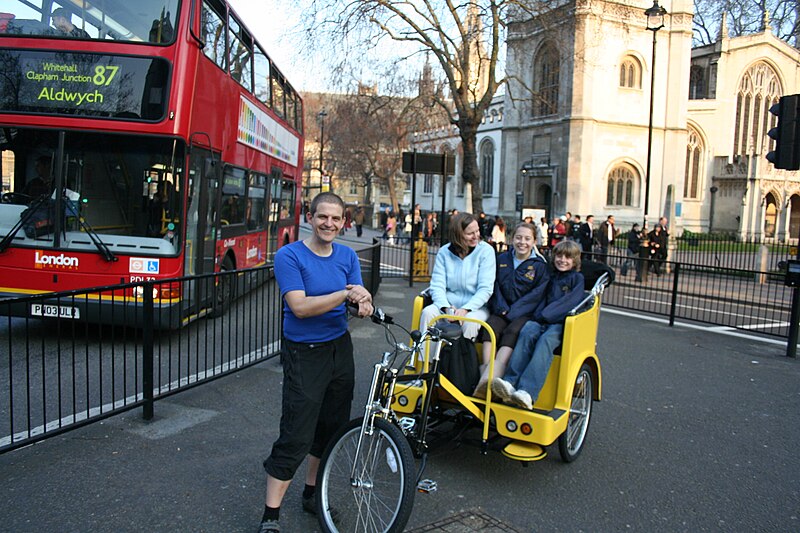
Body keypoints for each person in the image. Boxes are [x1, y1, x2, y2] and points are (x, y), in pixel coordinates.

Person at [259, 192, 374, 533]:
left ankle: (312, 495)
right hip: (304, 351)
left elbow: (358, 297)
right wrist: (344, 294)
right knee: (296, 431)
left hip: (340, 349)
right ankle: (270, 516)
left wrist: (362, 304)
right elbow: (300, 307)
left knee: (330, 428)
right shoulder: (289, 255)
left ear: (343, 222)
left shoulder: (347, 256)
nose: (329, 224)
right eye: (322, 217)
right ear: (310, 217)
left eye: (336, 218)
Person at [491, 240, 585, 410]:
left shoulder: (577, 278)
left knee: (545, 341)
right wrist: (536, 316)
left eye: (567, 257)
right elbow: (539, 295)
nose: (562, 260)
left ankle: (528, 391)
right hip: (540, 318)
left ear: (575, 261)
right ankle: (510, 382)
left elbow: (569, 302)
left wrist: (544, 314)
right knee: (526, 332)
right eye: (559, 256)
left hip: (559, 323)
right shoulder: (550, 275)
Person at [473, 223, 550, 396]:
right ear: (511, 239)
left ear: (534, 241)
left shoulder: (540, 266)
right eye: (518, 237)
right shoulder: (501, 259)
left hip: (523, 314)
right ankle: (485, 378)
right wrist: (501, 307)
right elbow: (494, 284)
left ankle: (491, 378)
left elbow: (536, 295)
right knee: (490, 328)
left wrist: (514, 312)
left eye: (527, 239)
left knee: (512, 332)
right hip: (501, 309)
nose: (522, 242)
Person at [419, 212, 496, 342]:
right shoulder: (444, 252)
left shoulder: (486, 251)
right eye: (470, 233)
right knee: (428, 313)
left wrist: (466, 309)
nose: (476, 236)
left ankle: (461, 361)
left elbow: (485, 289)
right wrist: (446, 307)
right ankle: (425, 361)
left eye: (477, 231)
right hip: (449, 304)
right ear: (458, 235)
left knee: (470, 322)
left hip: (476, 307)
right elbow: (437, 285)